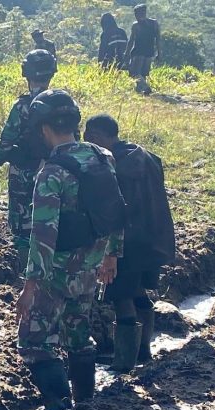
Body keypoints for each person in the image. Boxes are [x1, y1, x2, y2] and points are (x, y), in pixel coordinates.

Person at [15, 90, 125, 410]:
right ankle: (85, 405)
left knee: (34, 342)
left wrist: (30, 286)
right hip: (91, 266)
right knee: (79, 335)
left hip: (56, 273)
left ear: (43, 128)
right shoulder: (103, 156)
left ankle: (60, 408)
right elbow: (116, 210)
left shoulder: (50, 174)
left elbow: (43, 234)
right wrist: (112, 256)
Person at [84, 114, 175, 371]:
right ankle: (143, 350)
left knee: (121, 296)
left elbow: (114, 209)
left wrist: (109, 250)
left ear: (96, 137)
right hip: (153, 238)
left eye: (87, 138)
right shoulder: (146, 156)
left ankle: (124, 362)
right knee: (138, 291)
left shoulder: (112, 165)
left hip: (128, 241)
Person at [0, 50, 57, 271]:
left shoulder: (22, 106)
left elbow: (6, 141)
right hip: (56, 171)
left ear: (27, 74)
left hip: (23, 173)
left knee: (22, 225)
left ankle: (26, 271)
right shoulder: (62, 103)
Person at [124, 4, 161, 94]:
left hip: (138, 53)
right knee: (143, 74)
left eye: (137, 14)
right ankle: (141, 91)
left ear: (142, 13)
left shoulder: (136, 25)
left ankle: (145, 87)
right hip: (149, 53)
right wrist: (159, 54)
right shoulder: (154, 23)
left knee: (134, 72)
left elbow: (131, 41)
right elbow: (158, 40)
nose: (136, 16)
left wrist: (127, 53)